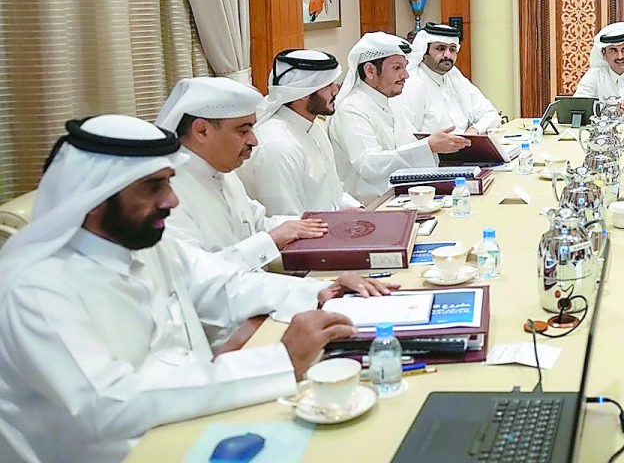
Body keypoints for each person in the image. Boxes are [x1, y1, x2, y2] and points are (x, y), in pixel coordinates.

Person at [0, 115, 388, 463]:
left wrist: (319, 294)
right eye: (153, 186)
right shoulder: (35, 287)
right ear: (94, 197)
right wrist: (279, 360)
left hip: (192, 418)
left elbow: (223, 284)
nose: (171, 200)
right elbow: (108, 405)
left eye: (168, 182)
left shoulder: (143, 240)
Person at [155, 77, 326, 272]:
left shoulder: (222, 172)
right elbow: (194, 275)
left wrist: (322, 225)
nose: (253, 140)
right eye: (243, 131)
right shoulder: (167, 194)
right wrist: (270, 241)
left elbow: (258, 222)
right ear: (202, 131)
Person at [328, 32, 470, 200]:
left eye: (405, 67)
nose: (405, 75)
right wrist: (428, 146)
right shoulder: (351, 108)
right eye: (397, 68)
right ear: (370, 70)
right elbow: (369, 165)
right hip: (369, 208)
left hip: (401, 196)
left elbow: (408, 145)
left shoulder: (391, 101)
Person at [238, 49, 363, 217]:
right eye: (328, 85)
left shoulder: (313, 126)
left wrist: (361, 212)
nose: (336, 91)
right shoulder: (277, 146)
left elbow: (333, 193)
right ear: (301, 93)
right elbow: (288, 222)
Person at [399, 22, 502, 134]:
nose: (447, 55)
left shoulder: (455, 77)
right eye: (440, 48)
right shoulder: (413, 83)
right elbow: (407, 136)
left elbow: (491, 114)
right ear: (424, 52)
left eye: (452, 49)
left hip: (465, 147)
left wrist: (474, 130)